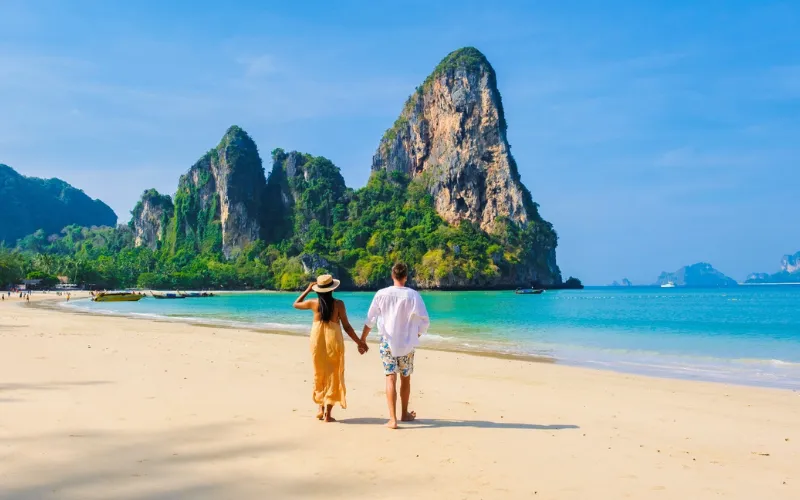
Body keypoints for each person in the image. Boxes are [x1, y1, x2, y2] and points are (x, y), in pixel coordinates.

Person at [361, 263, 430, 429]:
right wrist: (415, 335)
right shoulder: (414, 295)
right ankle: (404, 414)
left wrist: (362, 339)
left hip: (387, 342)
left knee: (390, 377)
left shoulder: (381, 294)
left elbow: (370, 319)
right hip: (407, 344)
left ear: (392, 275)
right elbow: (425, 321)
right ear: (406, 277)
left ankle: (392, 419)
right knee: (405, 379)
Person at [294, 275, 368, 422]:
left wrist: (307, 290)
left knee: (319, 372)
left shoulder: (313, 303)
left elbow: (296, 304)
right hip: (333, 339)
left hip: (317, 339)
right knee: (333, 373)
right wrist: (359, 342)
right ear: (332, 289)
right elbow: (347, 326)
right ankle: (328, 413)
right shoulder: (339, 304)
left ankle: (320, 408)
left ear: (318, 290)